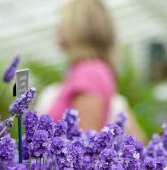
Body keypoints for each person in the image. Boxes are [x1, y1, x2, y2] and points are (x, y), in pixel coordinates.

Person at [47, 0, 116, 131]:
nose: (57, 27)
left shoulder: (90, 73)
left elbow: (83, 142)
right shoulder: (84, 69)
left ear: (78, 27)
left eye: (62, 20)